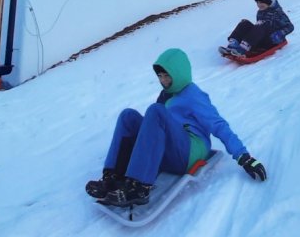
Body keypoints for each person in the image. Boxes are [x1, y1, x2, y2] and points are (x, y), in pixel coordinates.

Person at [85, 48, 267, 207]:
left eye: (167, 76)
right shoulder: (166, 95)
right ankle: (112, 178)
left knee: (156, 111)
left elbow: (218, 124)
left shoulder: (194, 95)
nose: (163, 81)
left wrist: (244, 157)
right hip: (171, 149)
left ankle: (138, 188)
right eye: (160, 76)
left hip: (189, 152)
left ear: (179, 73)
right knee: (128, 116)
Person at [219, 0, 294, 57]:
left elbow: (290, 26)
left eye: (261, 2)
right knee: (244, 23)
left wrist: (279, 33)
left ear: (267, 2)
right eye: (257, 2)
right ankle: (233, 45)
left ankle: (242, 49)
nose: (259, 4)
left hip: (273, 41)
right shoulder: (260, 12)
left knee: (261, 24)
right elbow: (259, 28)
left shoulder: (277, 12)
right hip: (263, 39)